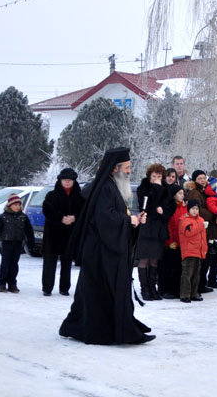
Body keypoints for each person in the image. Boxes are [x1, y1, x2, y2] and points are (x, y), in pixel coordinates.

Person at [59, 147, 154, 345]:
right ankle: (102, 331)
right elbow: (105, 219)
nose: (129, 171)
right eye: (127, 168)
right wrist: (129, 221)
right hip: (100, 253)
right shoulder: (104, 188)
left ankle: (94, 327)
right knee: (99, 293)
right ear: (114, 169)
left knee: (98, 294)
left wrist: (134, 220)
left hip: (106, 251)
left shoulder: (113, 186)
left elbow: (115, 215)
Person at [41, 167, 84, 297]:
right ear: (60, 181)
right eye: (64, 180)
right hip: (53, 233)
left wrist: (74, 217)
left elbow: (84, 212)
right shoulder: (51, 195)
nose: (67, 182)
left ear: (74, 181)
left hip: (69, 234)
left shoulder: (79, 197)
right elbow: (47, 210)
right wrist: (61, 218)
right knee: (50, 261)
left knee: (67, 262)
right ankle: (47, 288)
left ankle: (64, 288)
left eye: (69, 180)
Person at [0, 192, 35, 293]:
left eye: (19, 205)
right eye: (15, 205)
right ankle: (2, 283)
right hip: (6, 243)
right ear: (9, 205)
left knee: (14, 264)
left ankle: (12, 283)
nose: (17, 207)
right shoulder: (3, 217)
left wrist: (31, 244)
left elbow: (29, 231)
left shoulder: (23, 217)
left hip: (18, 243)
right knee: (5, 263)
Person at [135, 163, 170, 302]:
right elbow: (146, 206)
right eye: (154, 176)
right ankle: (144, 289)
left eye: (159, 176)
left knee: (154, 260)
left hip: (159, 228)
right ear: (149, 176)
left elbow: (167, 208)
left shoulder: (166, 190)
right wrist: (155, 187)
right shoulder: (143, 189)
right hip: (147, 226)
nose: (156, 179)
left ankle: (152, 287)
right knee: (144, 259)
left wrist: (163, 212)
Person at [159, 184, 187, 298]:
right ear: (174, 195)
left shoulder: (184, 207)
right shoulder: (170, 206)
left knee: (178, 268)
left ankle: (176, 289)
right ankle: (165, 289)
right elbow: (168, 225)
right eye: (180, 193)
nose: (182, 195)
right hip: (171, 243)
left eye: (183, 193)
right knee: (168, 267)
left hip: (182, 242)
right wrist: (169, 241)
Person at [177, 199, 207, 302]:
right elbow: (189, 232)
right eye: (193, 208)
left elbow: (203, 237)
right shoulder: (184, 219)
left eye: (197, 209)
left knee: (196, 274)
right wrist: (201, 226)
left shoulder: (201, 219)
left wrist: (204, 249)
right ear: (188, 209)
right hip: (189, 251)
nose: (195, 210)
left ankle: (194, 293)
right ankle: (185, 295)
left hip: (198, 251)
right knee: (187, 274)